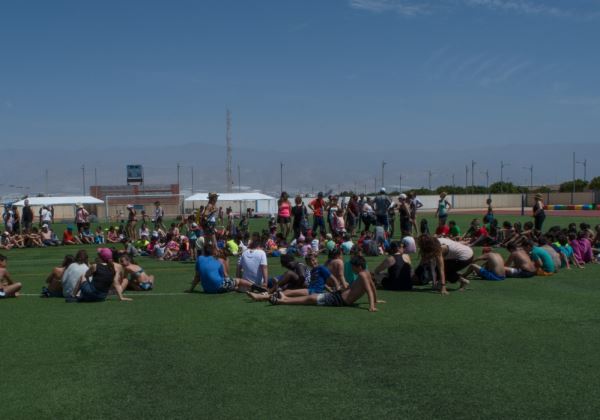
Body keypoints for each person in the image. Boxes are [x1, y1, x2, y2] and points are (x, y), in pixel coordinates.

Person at [259, 256, 379, 312]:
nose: (351, 269)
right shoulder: (366, 273)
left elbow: (369, 289)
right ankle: (281, 297)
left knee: (310, 299)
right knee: (309, 298)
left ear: (358, 267)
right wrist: (376, 300)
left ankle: (283, 300)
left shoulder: (363, 275)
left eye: (352, 267)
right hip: (338, 296)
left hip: (339, 300)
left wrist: (372, 305)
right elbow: (372, 287)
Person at [188, 243, 255, 294]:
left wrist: (191, 289)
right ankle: (256, 286)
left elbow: (197, 276)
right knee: (239, 280)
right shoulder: (218, 261)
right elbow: (224, 277)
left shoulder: (199, 259)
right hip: (218, 286)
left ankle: (236, 288)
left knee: (233, 286)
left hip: (207, 290)